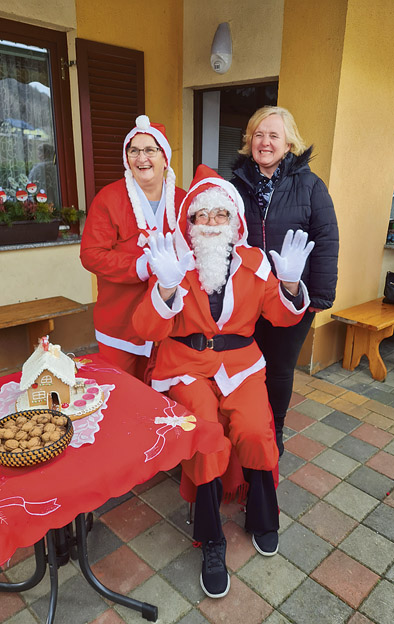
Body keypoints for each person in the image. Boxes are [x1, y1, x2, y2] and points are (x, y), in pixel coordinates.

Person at [133, 164, 314, 599]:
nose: (211, 223)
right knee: (207, 433)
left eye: (220, 215)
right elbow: (145, 329)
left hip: (241, 365)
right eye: (202, 215)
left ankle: (262, 514)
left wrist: (290, 285)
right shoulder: (175, 263)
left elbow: (281, 316)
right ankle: (211, 540)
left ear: (235, 221)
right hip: (185, 364)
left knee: (254, 428)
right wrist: (166, 291)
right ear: (189, 221)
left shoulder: (255, 265)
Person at [231, 106, 339, 455]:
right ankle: (250, 429)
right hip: (248, 297)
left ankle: (272, 434)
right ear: (249, 141)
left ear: (289, 142)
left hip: (293, 296)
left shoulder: (310, 186)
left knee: (278, 369)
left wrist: (319, 296)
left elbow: (327, 239)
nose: (265, 142)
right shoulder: (236, 185)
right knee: (250, 366)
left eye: (273, 135)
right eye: (258, 134)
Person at [80, 115, 186, 380]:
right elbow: (91, 255)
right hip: (120, 323)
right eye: (134, 150)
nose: (142, 158)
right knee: (122, 396)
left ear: (165, 158)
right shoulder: (109, 198)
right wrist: (141, 265)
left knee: (163, 399)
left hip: (170, 323)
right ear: (127, 158)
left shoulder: (183, 199)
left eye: (150, 150)